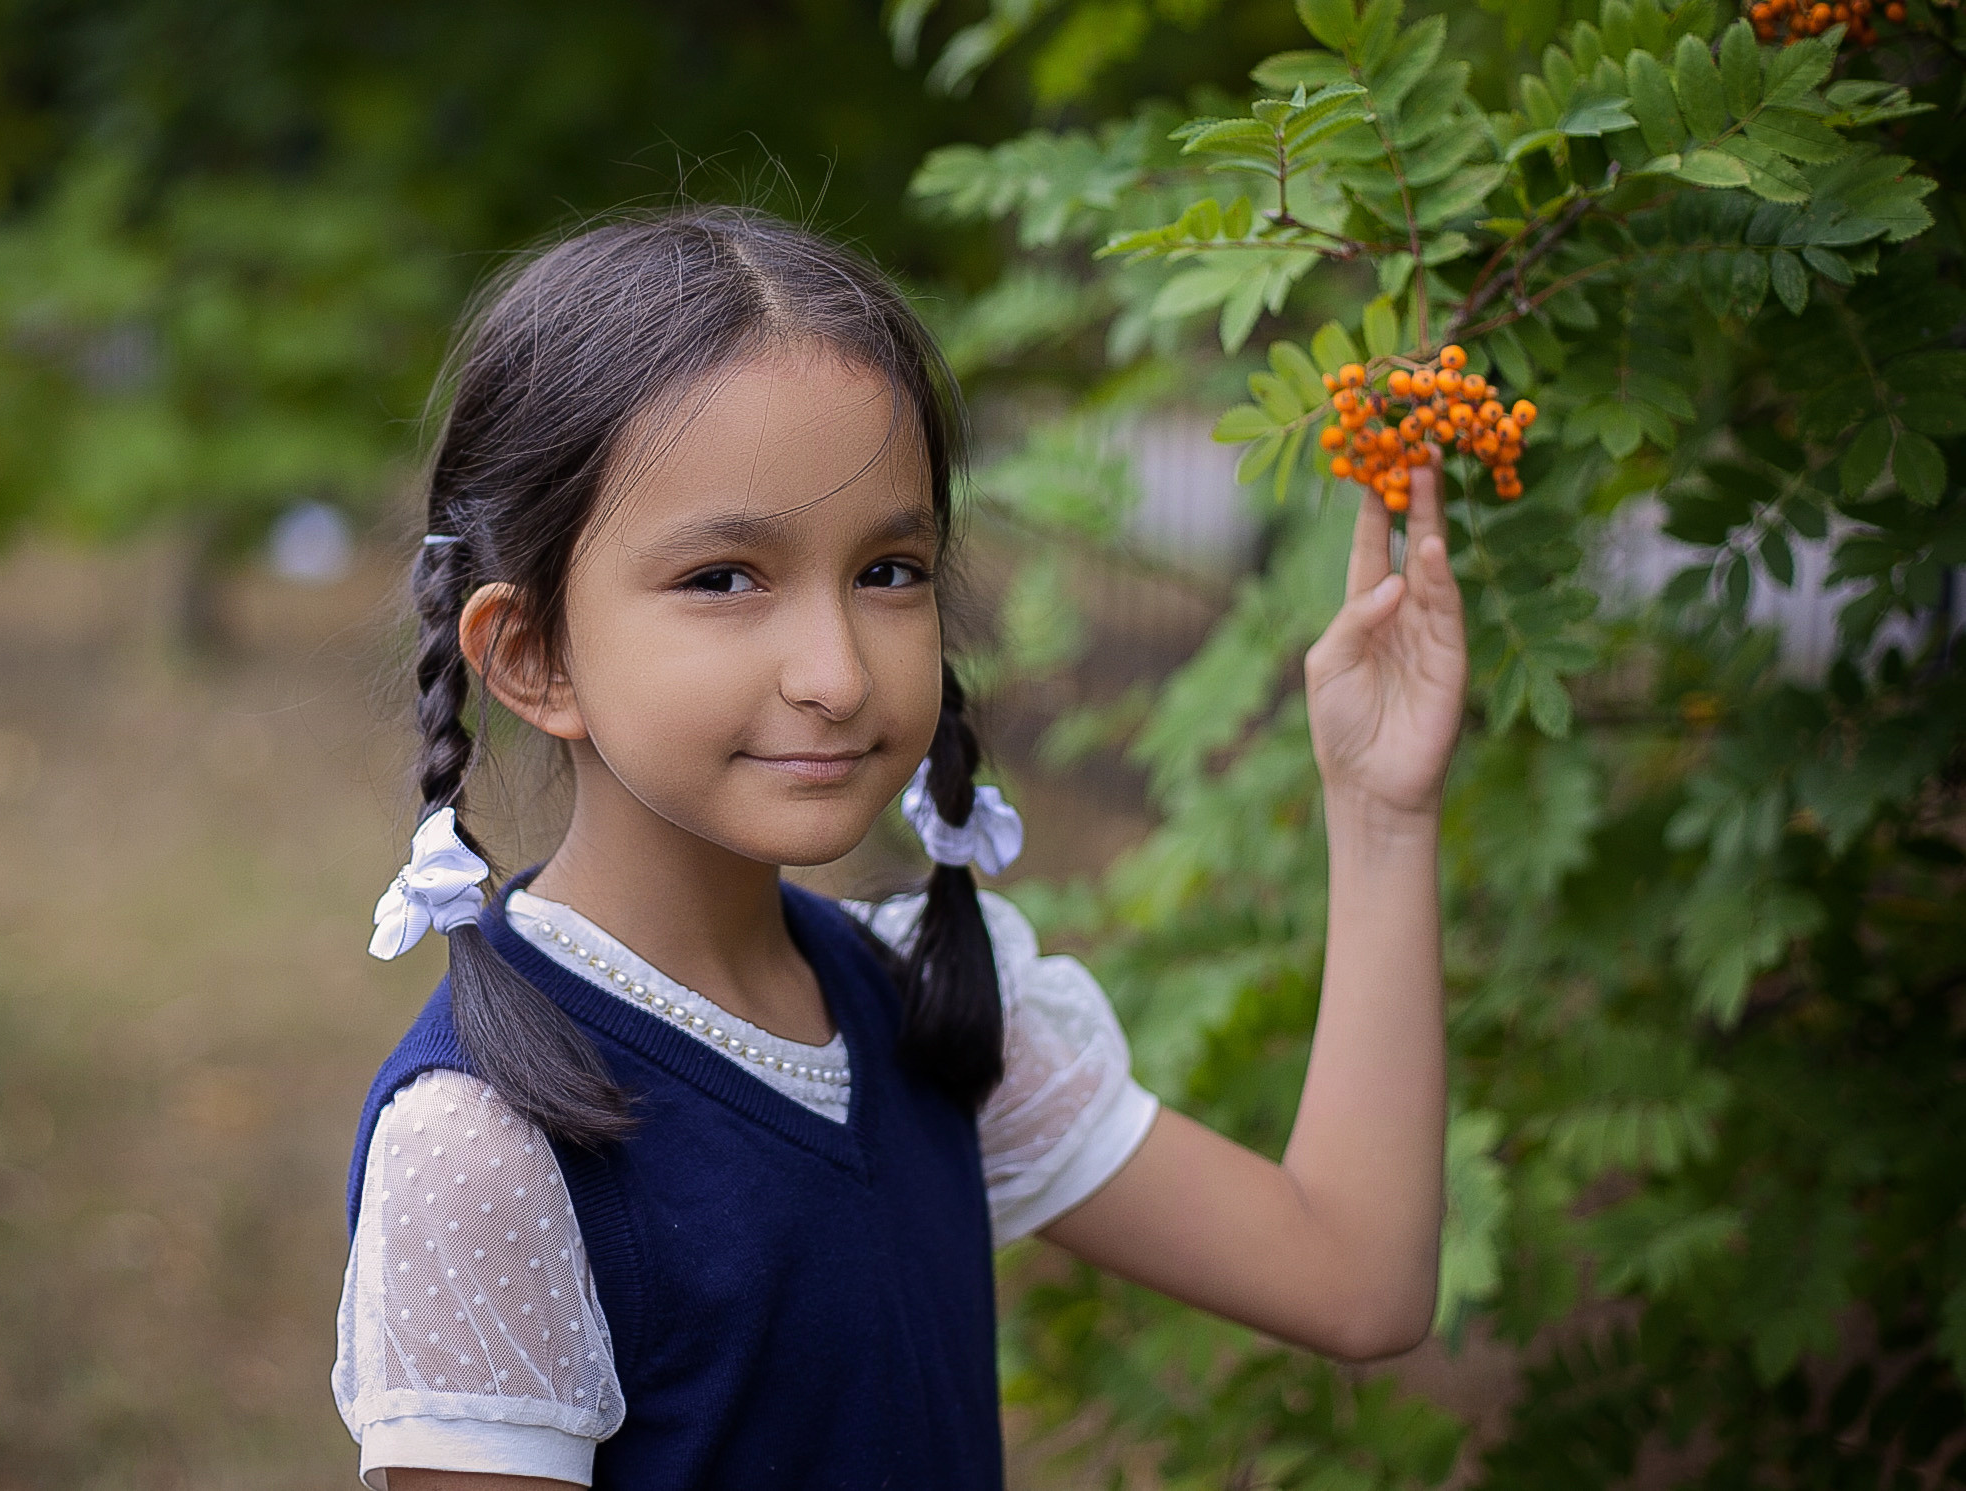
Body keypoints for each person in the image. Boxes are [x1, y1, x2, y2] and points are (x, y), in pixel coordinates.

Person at [329, 207, 1467, 1490]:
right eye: (722, 578)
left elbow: (1355, 1278)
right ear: (530, 654)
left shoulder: (924, 1014)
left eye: (887, 570)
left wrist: (1379, 813)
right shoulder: (487, 1143)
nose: (835, 673)